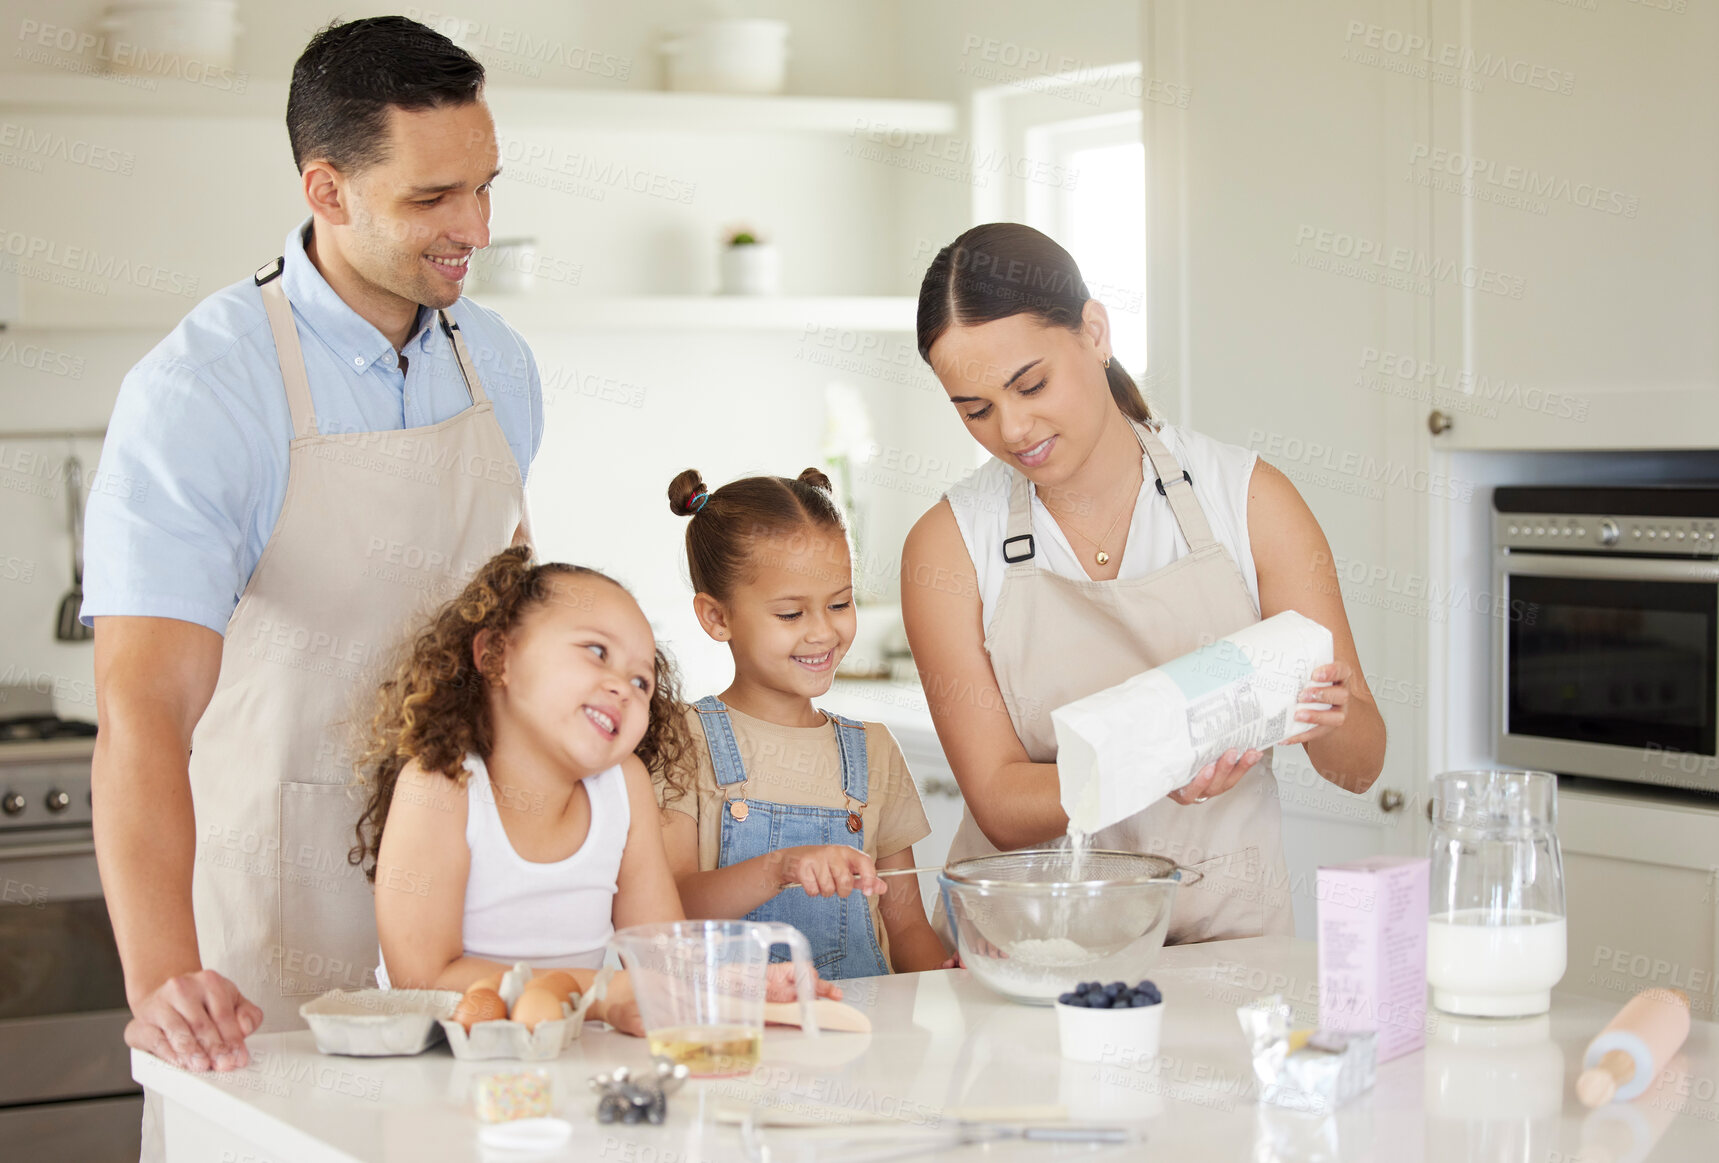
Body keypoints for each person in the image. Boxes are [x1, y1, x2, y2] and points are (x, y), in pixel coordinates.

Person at [83, 16, 541, 1085]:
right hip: (272, 899)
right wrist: (162, 979)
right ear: (326, 190)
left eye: (485, 185)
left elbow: (511, 620)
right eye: (432, 198)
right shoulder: (203, 391)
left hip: (470, 891)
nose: (472, 224)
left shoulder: (501, 367)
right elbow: (142, 713)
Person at [900, 224, 1387, 943]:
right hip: (1030, 947)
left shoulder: (1248, 500)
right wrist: (1163, 753)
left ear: (1094, 331)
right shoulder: (947, 545)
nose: (1011, 427)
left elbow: (1358, 767)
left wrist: (1329, 711)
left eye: (1029, 383)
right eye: (974, 408)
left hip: (1222, 945)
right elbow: (999, 800)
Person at [354, 547, 841, 1033]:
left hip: (573, 1060)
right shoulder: (442, 784)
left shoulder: (623, 786)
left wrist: (735, 986)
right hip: (441, 1070)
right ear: (496, 656)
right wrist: (601, 993)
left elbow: (660, 956)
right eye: (596, 652)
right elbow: (422, 978)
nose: (623, 687)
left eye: (642, 681)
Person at [656, 468, 952, 976]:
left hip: (863, 1041)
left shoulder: (874, 750)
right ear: (716, 617)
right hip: (734, 1040)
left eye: (840, 603)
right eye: (791, 614)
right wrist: (779, 868)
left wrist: (955, 977)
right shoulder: (682, 739)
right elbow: (671, 911)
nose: (822, 632)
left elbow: (906, 930)